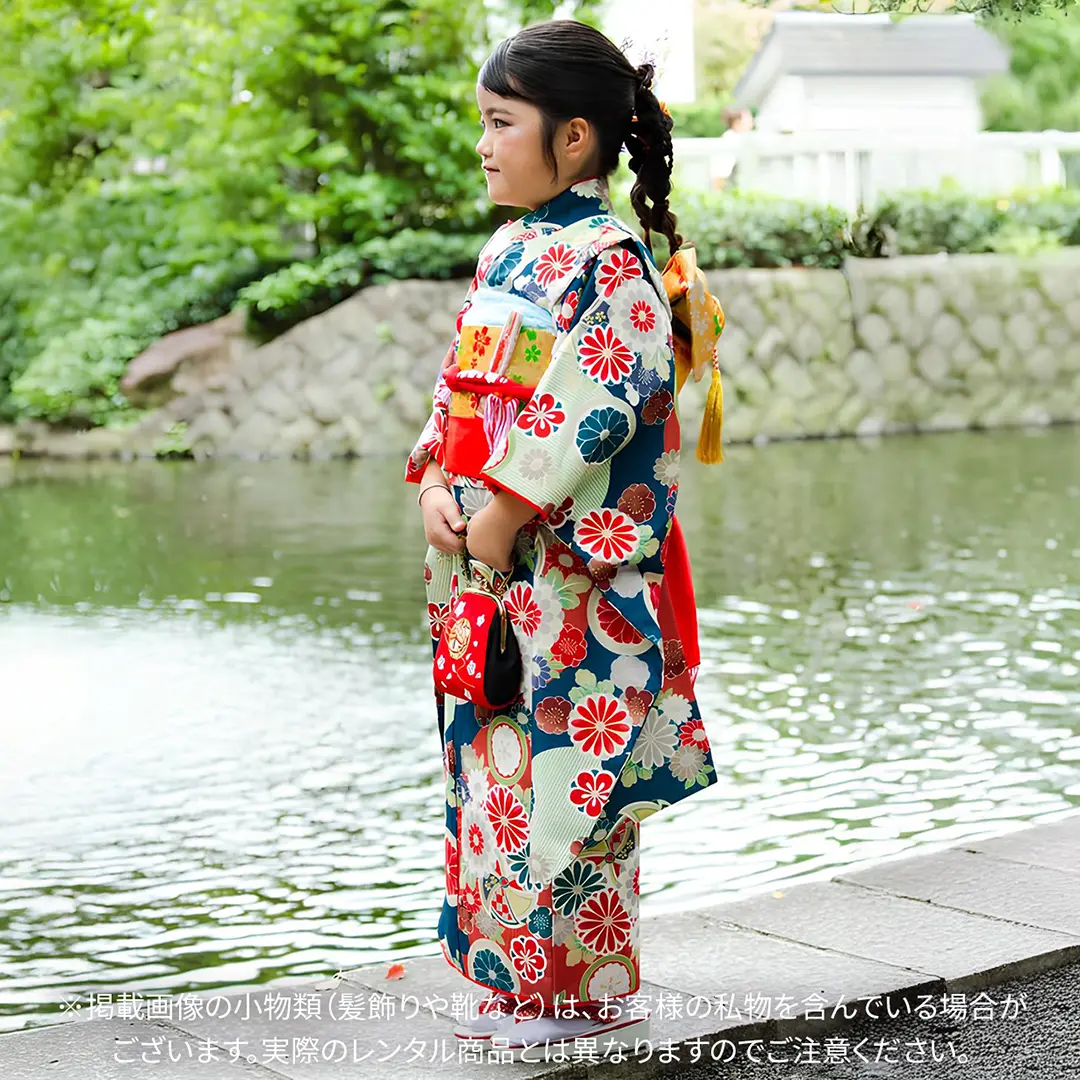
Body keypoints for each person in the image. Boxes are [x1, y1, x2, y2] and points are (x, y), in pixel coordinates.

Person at [404, 18, 726, 1063]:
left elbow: (609, 397)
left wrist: (501, 506)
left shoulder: (614, 262)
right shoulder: (510, 250)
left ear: (576, 137)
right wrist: (437, 483)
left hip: (571, 580)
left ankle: (582, 997)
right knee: (491, 779)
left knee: (568, 795)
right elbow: (466, 387)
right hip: (492, 579)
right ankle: (505, 982)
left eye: (503, 124)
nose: (486, 145)